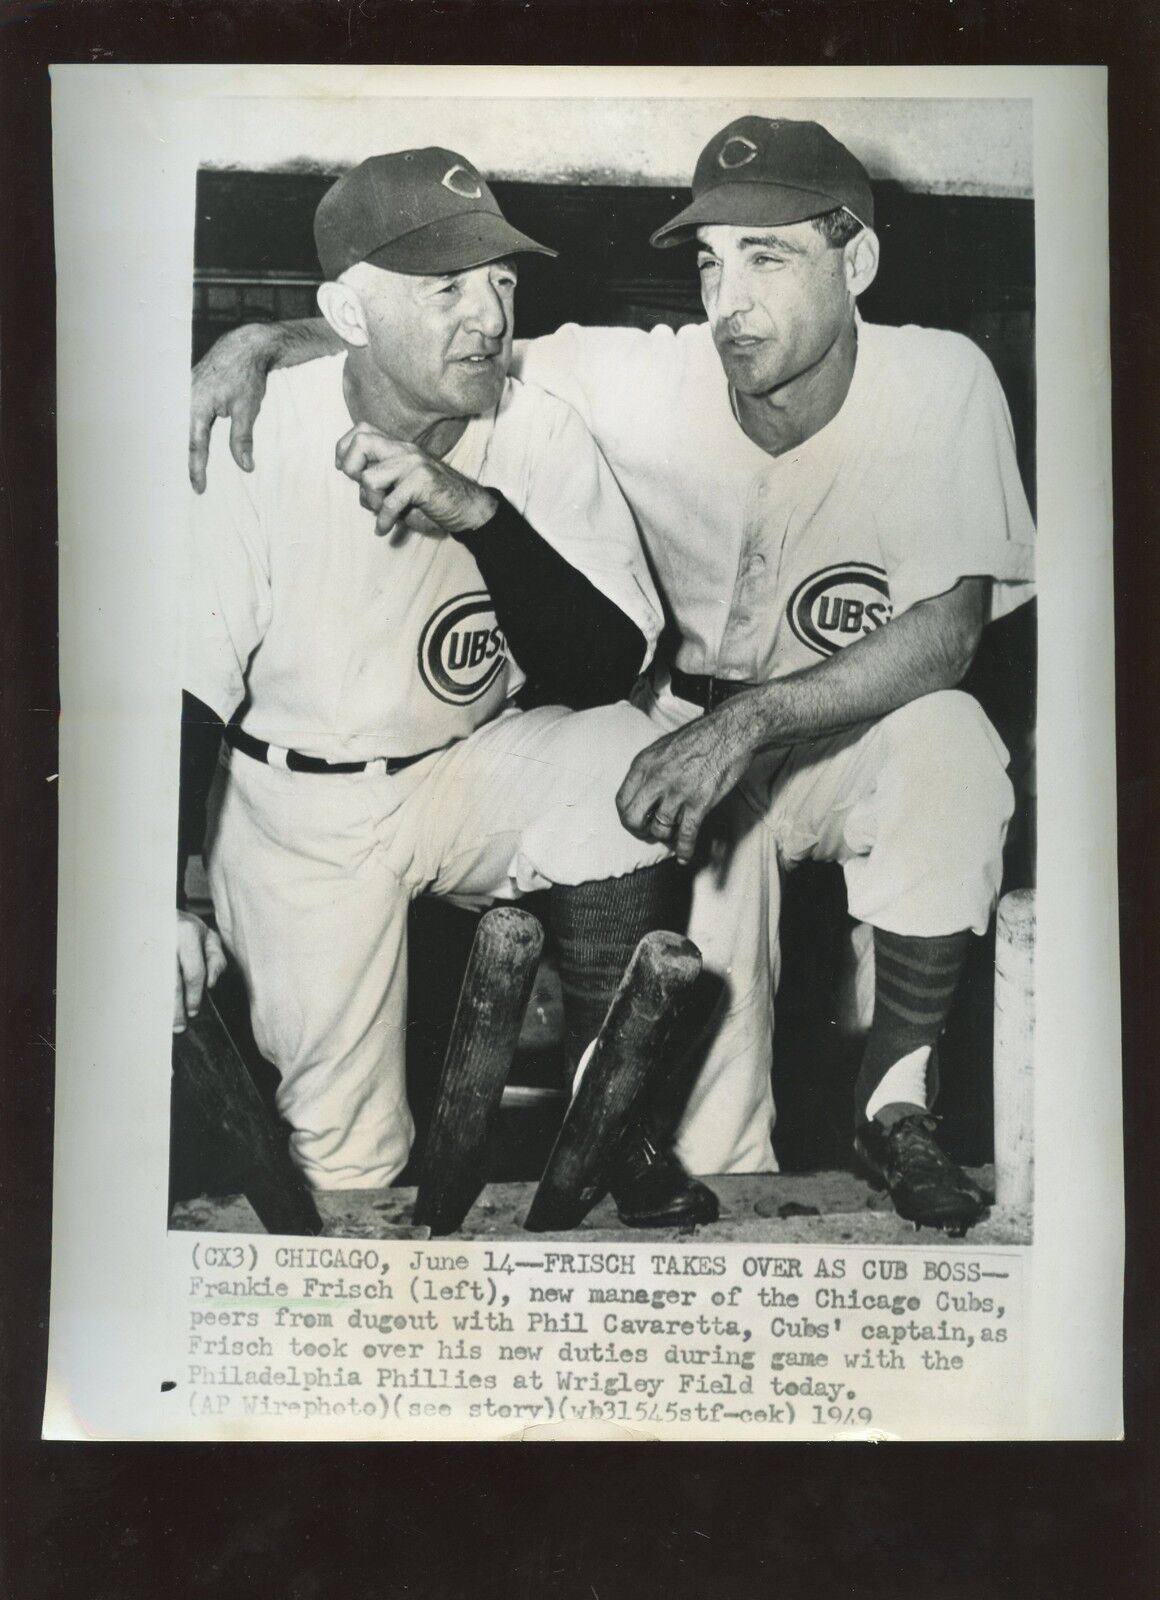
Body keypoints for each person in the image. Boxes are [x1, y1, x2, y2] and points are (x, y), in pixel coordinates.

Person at [189, 117, 1036, 1233]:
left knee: (951, 745)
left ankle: (893, 1102)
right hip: (606, 754)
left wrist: (749, 726)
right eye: (705, 260)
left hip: (812, 734)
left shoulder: (942, 381)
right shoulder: (627, 374)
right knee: (693, 1136)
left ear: (856, 264)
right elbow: (428, 340)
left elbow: (946, 635)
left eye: (765, 255)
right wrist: (263, 337)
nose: (724, 298)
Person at [177, 146, 721, 1228]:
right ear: (348, 309)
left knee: (625, 752)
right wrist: (151, 894)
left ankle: (610, 1117)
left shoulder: (534, 430)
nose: (488, 316)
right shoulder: (256, 433)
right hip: (296, 814)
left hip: (454, 772)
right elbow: (179, 685)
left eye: (501, 283)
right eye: (446, 289)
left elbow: (605, 668)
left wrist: (479, 515)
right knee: (349, 1161)